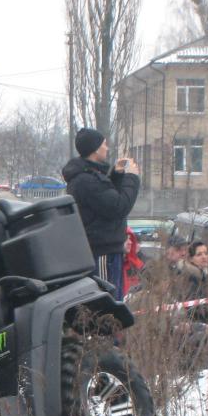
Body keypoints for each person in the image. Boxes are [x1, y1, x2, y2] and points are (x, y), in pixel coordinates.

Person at [61, 128, 140, 298]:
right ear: (95, 149)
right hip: (102, 253)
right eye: (104, 144)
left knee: (114, 301)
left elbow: (106, 199)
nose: (107, 148)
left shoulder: (90, 176)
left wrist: (117, 174)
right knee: (107, 301)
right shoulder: (86, 180)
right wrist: (132, 177)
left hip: (108, 251)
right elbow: (118, 206)